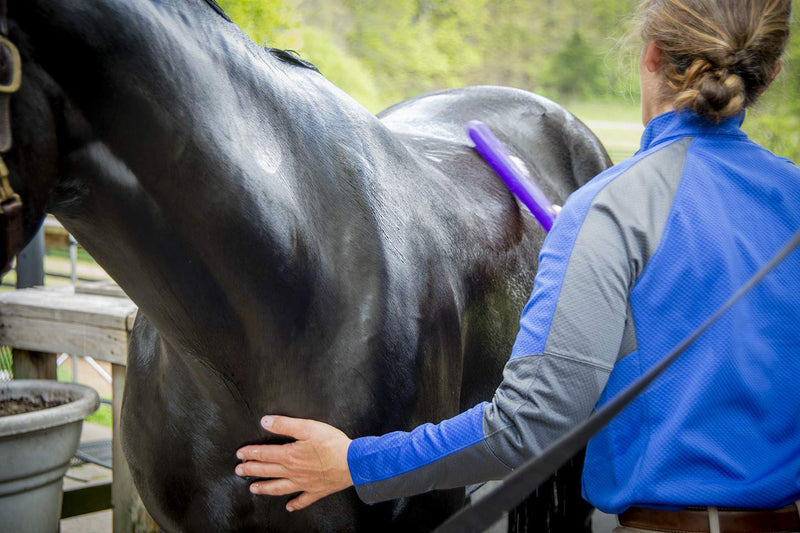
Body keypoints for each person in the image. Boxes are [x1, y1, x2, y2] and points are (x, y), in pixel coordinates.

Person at [235, 1, 800, 531]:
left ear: (650, 53)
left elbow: (531, 423)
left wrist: (357, 463)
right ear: (770, 74)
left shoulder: (610, 213)